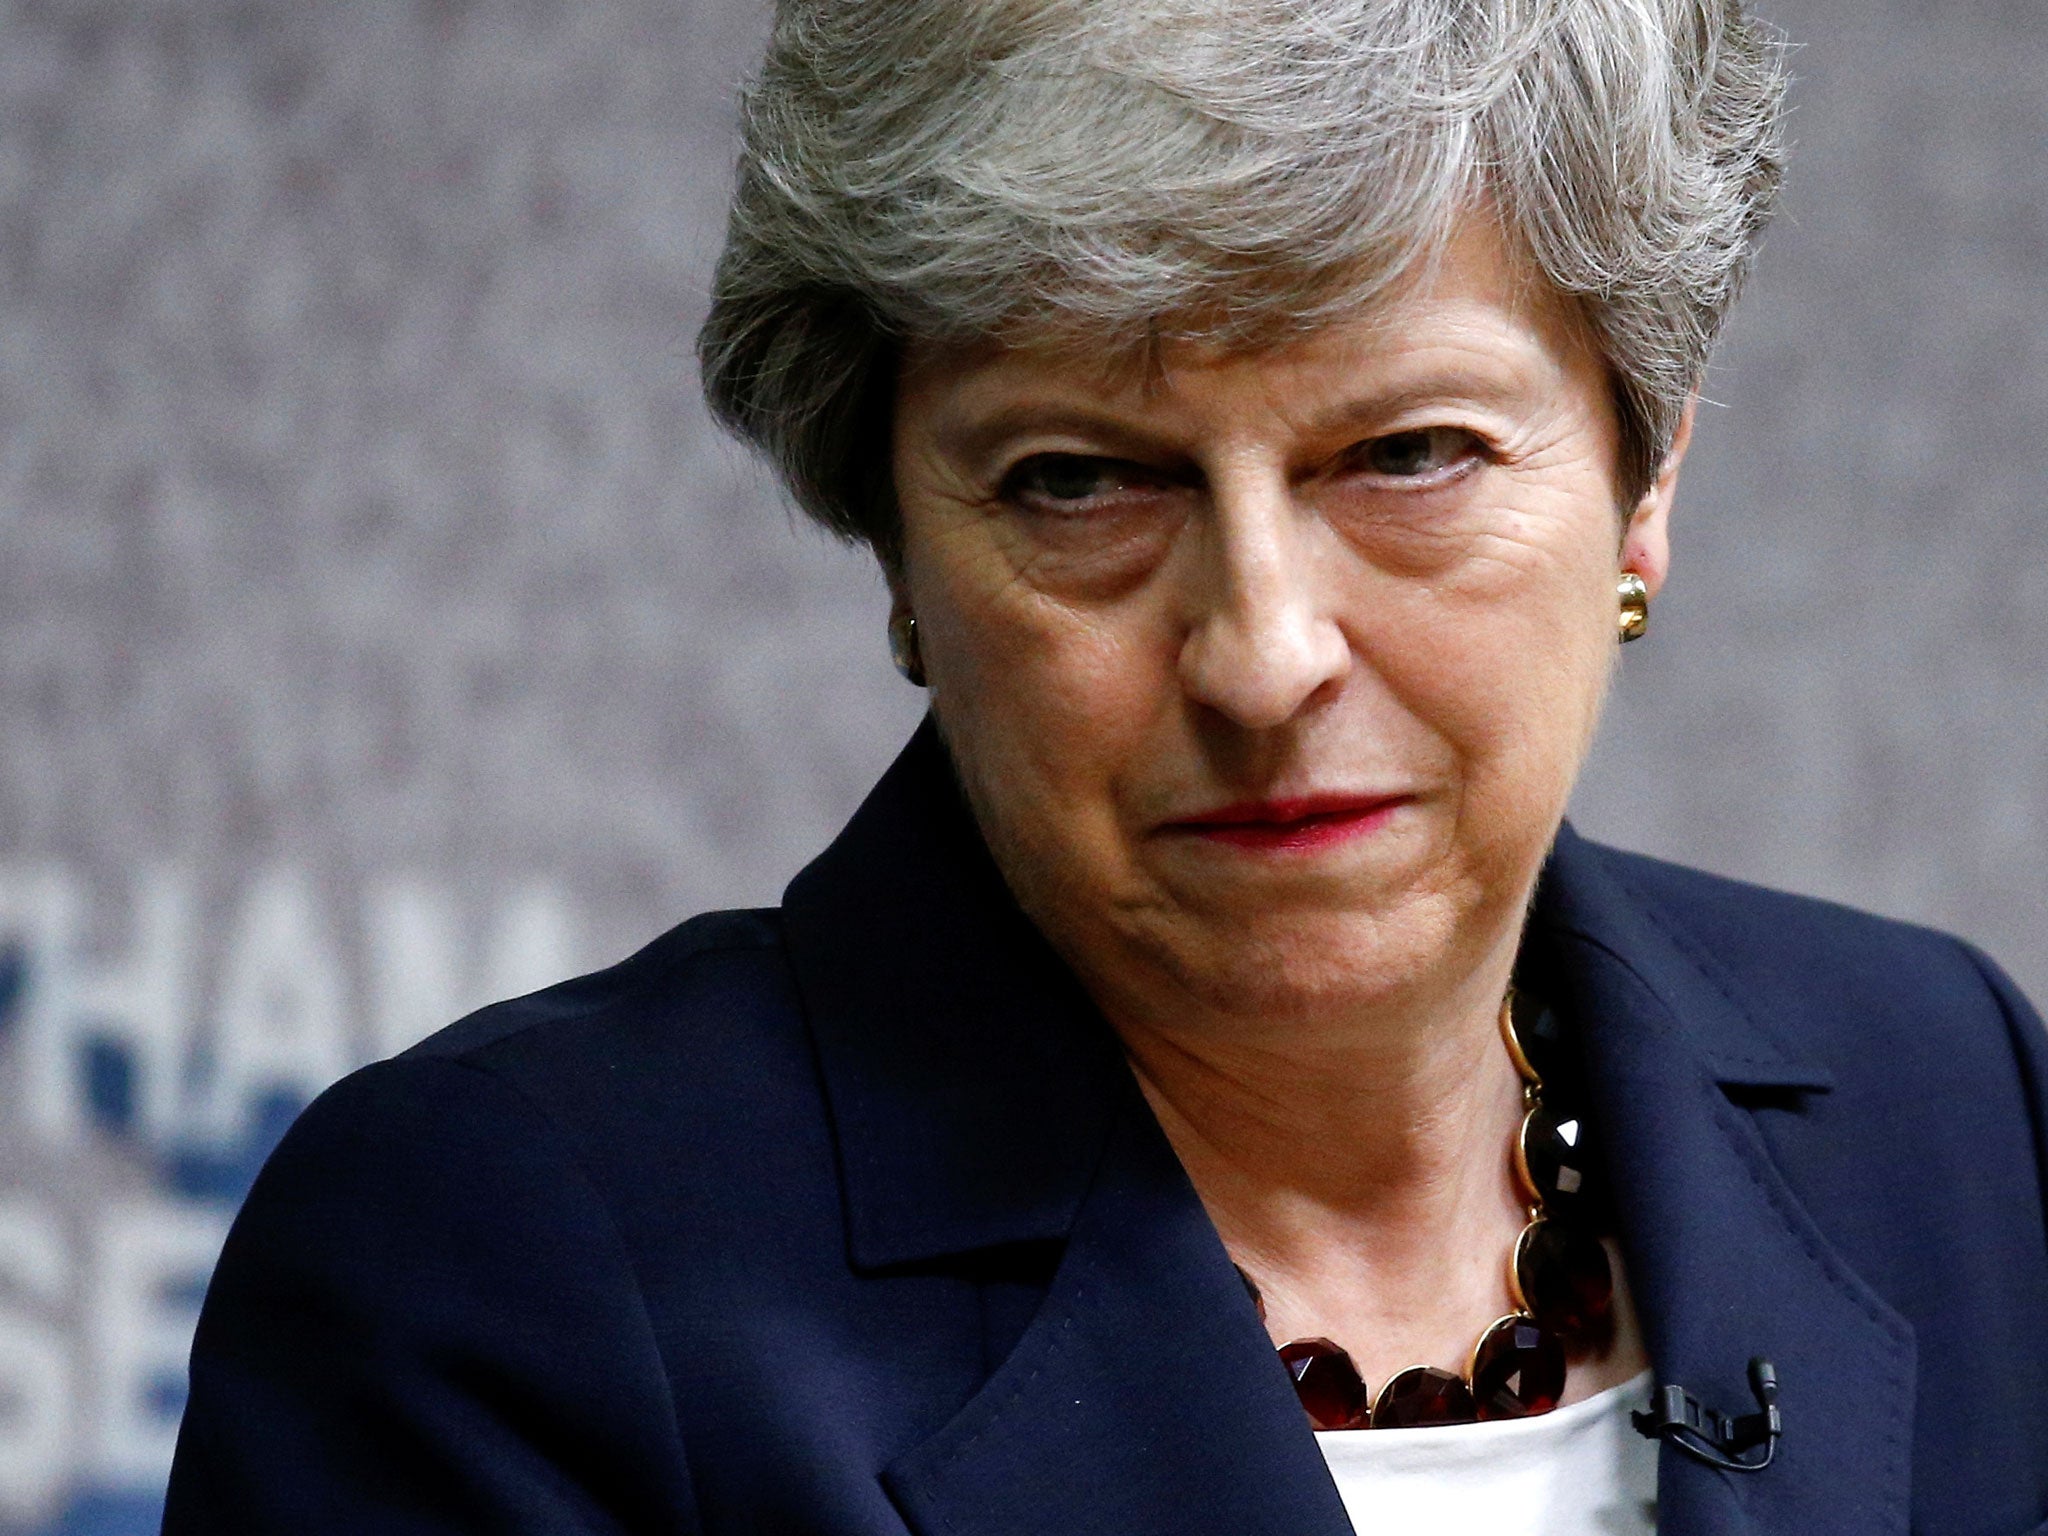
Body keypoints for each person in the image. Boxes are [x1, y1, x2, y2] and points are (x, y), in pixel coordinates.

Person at [163, 1, 2048, 1532]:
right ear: (899, 545)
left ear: (1648, 484)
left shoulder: (1953, 1106)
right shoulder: (501, 1278)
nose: (1263, 654)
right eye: (1080, 480)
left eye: (1407, 454)